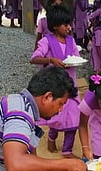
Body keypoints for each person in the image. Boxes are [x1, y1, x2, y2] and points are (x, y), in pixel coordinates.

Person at [30, 5, 82, 158]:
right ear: (54, 26)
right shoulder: (47, 41)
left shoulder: (71, 42)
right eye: (65, 25)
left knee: (74, 118)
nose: (69, 27)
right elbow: (34, 58)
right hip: (55, 87)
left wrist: (75, 62)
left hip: (71, 86)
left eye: (69, 24)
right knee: (56, 116)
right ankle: (52, 137)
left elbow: (77, 57)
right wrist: (50, 59)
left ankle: (67, 150)